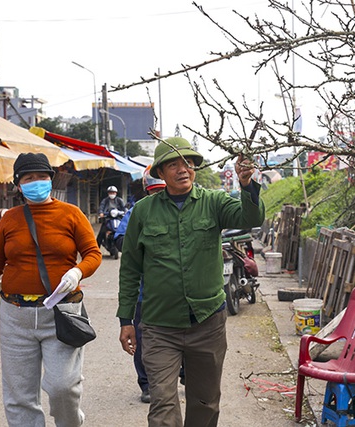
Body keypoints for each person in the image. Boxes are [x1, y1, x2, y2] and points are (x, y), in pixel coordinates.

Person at [117, 137, 265, 426]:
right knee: (162, 404)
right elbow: (130, 268)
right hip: (159, 325)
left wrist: (246, 185)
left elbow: (250, 217)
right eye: (173, 165)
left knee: (205, 403)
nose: (182, 169)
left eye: (187, 163)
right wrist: (126, 320)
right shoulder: (143, 212)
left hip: (207, 323)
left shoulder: (214, 202)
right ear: (161, 172)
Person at [0, 152, 102, 427]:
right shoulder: (10, 219)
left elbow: (93, 254)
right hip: (15, 316)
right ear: (18, 185)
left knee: (64, 387)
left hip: (61, 312)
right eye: (29, 178)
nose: (36, 182)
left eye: (42, 177)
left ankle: (71, 422)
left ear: (50, 181)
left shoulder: (71, 214)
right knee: (20, 396)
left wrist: (77, 271)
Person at [114, 165, 171, 404]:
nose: (157, 196)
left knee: (182, 335)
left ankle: (182, 372)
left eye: (162, 191)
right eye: (154, 191)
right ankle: (146, 384)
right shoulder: (137, 211)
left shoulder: (183, 212)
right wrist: (144, 242)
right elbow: (119, 240)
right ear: (148, 191)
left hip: (173, 292)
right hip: (142, 294)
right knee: (142, 338)